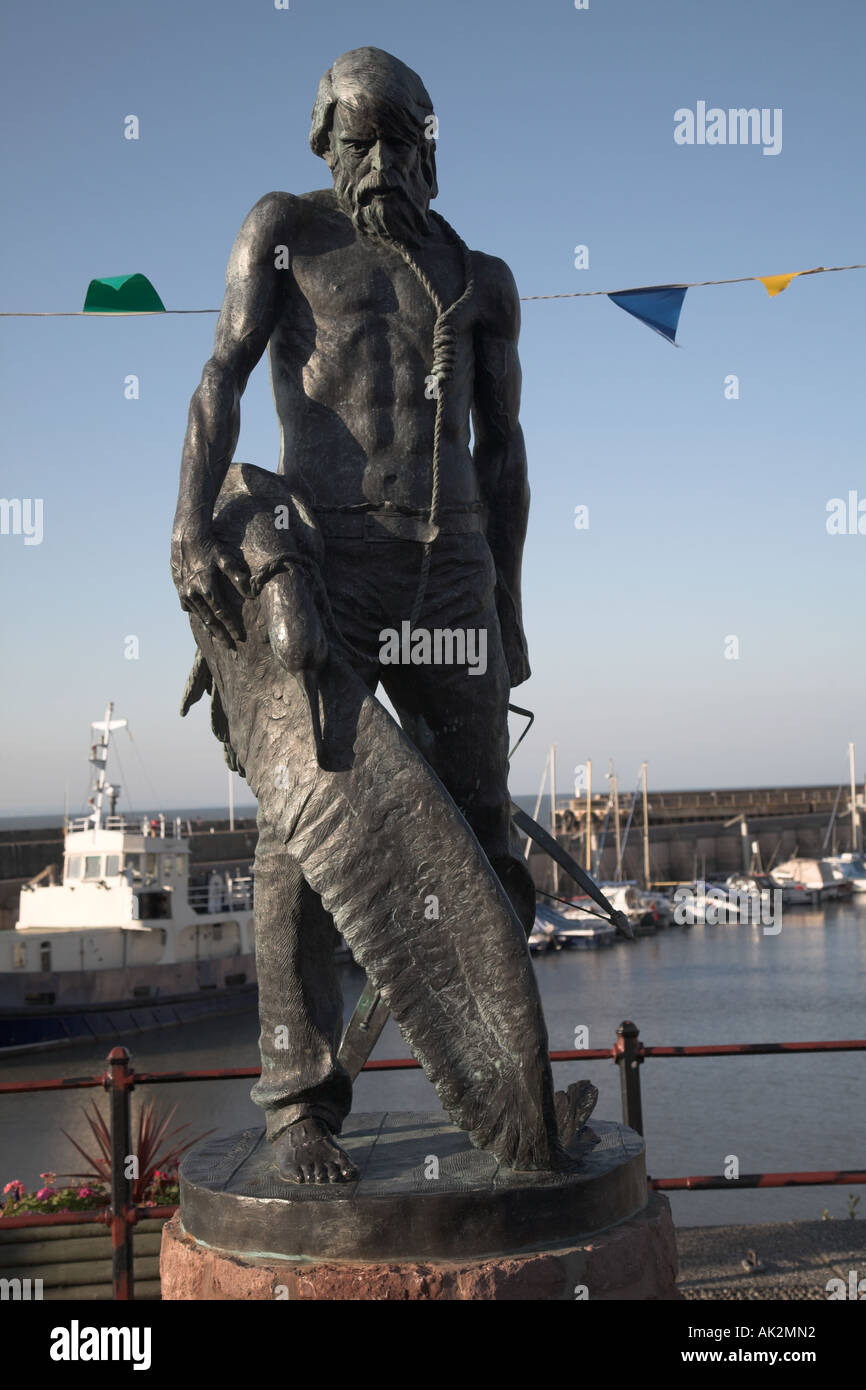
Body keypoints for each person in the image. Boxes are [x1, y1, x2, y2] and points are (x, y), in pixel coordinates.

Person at [171, 48, 539, 1183]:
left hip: (455, 564)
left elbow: (505, 453)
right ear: (322, 140)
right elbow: (220, 377)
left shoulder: (482, 278)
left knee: (480, 838)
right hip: (328, 556)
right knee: (298, 841)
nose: (374, 160)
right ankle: (297, 1104)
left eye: (396, 139)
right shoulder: (282, 230)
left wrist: (510, 607)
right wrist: (192, 524)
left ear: (432, 145)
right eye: (353, 138)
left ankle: (491, 1083)